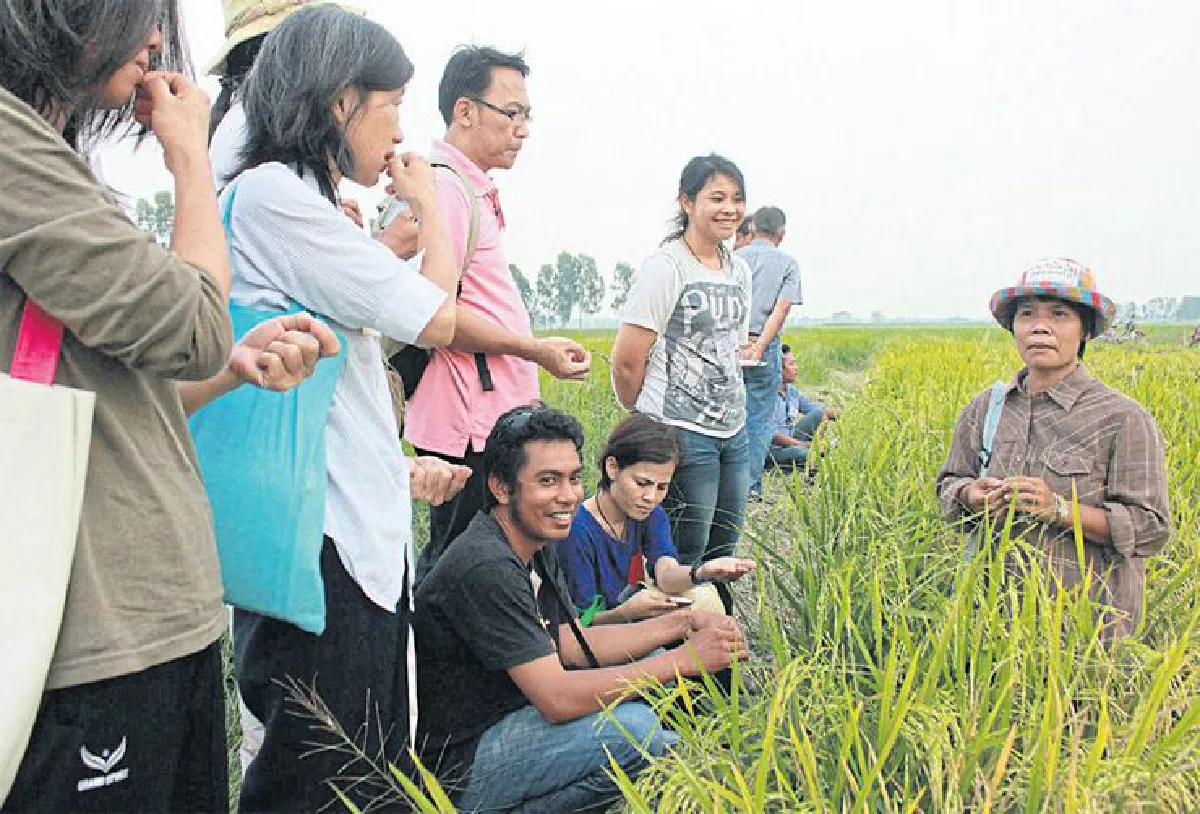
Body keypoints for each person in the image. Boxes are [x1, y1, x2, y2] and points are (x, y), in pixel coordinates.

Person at [0, 2, 339, 810]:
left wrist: (231, 370)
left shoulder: (48, 158)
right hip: (94, 637)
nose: (157, 44)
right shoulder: (10, 149)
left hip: (157, 620)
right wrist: (190, 158)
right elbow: (192, 324)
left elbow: (109, 395)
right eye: (138, 17)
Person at [217, 7, 468, 810]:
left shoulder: (310, 202)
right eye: (393, 104)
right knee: (321, 777)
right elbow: (436, 316)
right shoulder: (269, 195)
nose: (401, 133)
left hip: (352, 531)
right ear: (339, 104)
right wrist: (432, 204)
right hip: (320, 540)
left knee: (360, 773)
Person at [412, 405, 749, 812]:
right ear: (501, 487)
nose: (568, 495)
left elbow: (571, 642)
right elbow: (557, 698)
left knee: (651, 701)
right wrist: (685, 660)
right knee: (637, 729)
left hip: (513, 713)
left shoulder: (532, 540)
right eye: (548, 481)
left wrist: (681, 622)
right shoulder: (486, 565)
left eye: (573, 478)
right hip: (462, 761)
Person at [405, 47, 592, 580]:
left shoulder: (468, 188)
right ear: (466, 111)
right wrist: (533, 349)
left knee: (492, 561)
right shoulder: (446, 187)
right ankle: (442, 661)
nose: (524, 129)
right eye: (513, 113)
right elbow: (433, 313)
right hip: (468, 421)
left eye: (527, 115)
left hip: (487, 414)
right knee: (465, 564)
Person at [937, 259, 1172, 641]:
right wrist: (968, 493)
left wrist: (1059, 509)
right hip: (992, 629)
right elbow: (948, 484)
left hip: (1086, 637)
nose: (1039, 326)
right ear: (1013, 327)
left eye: (1059, 315)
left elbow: (1151, 529)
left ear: (1085, 331)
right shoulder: (986, 407)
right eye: (1027, 314)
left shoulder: (1123, 418)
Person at [611, 154, 753, 571]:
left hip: (734, 427)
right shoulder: (667, 267)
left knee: (725, 543)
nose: (730, 209)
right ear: (687, 202)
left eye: (737, 199)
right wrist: (647, 420)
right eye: (717, 197)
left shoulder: (738, 270)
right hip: (682, 431)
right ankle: (672, 633)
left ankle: (715, 628)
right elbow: (626, 361)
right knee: (685, 546)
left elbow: (732, 347)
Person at [553, 413, 756, 623]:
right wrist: (626, 613)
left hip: (628, 618)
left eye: (662, 487)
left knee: (706, 598)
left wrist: (702, 572)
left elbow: (666, 573)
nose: (651, 497)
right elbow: (578, 623)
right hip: (596, 634)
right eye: (642, 483)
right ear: (612, 468)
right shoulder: (576, 531)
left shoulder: (650, 515)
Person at [737, 205, 801, 500]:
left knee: (726, 416)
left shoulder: (733, 259)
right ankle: (749, 488)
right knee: (759, 418)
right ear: (782, 234)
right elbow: (782, 308)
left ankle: (725, 487)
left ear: (751, 229)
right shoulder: (788, 264)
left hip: (729, 345)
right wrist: (760, 346)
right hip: (764, 345)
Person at [767, 344, 834, 471]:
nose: (796, 368)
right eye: (791, 364)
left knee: (819, 414)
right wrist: (802, 445)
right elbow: (771, 435)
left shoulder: (791, 392)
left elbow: (818, 412)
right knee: (802, 454)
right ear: (779, 369)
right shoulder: (767, 397)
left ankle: (816, 452)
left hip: (792, 439)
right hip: (773, 449)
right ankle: (811, 458)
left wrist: (849, 416)